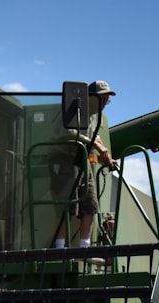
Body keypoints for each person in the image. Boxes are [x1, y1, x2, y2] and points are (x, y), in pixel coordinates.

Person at [52, 80, 117, 248]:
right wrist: (94, 144)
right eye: (102, 99)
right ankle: (59, 248)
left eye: (106, 100)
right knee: (67, 204)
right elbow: (65, 133)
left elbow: (97, 139)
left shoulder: (96, 117)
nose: (104, 103)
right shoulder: (72, 109)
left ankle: (85, 248)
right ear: (91, 98)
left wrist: (108, 158)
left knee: (90, 204)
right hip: (65, 160)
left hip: (83, 162)